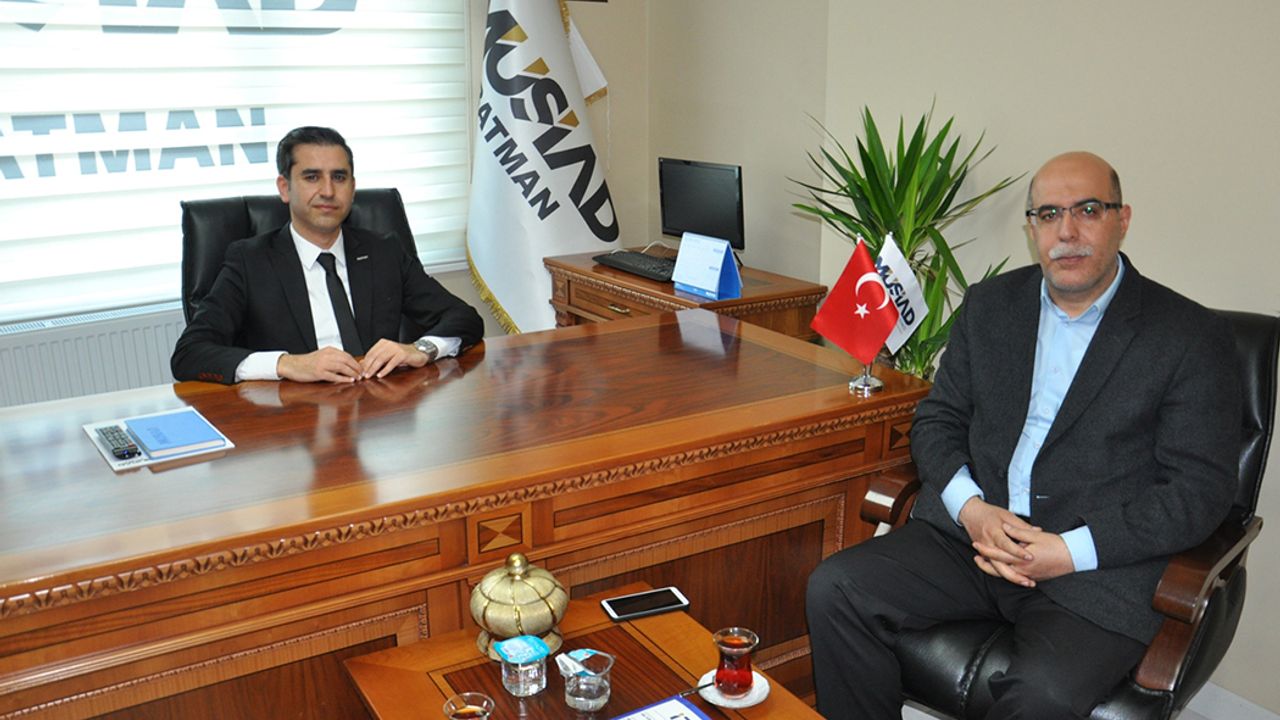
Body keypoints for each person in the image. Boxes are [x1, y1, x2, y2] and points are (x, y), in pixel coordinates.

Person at [805, 151, 1241, 719]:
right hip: (975, 538)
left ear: (1123, 219)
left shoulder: (1189, 335)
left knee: (1041, 697)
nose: (1067, 231)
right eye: (1049, 214)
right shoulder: (991, 305)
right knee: (835, 589)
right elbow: (938, 419)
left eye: (1088, 210)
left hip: (1094, 568)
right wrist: (972, 511)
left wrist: (1068, 550)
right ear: (1032, 227)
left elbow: (1198, 491)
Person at [171, 126, 484, 384]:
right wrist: (286, 364)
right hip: (294, 423)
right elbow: (189, 353)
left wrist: (422, 348)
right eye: (311, 177)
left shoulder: (383, 251)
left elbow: (464, 318)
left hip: (380, 415)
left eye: (339, 177)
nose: (328, 191)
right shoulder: (249, 261)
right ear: (284, 188)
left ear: (352, 187)